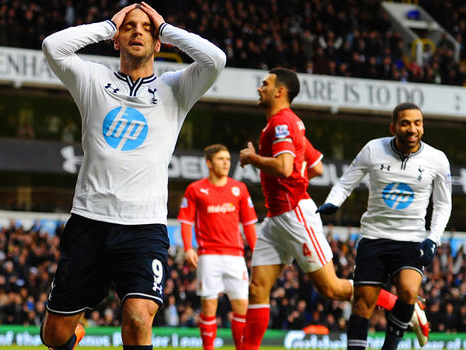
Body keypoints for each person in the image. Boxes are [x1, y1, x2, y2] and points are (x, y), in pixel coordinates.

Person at [41, 2, 226, 350]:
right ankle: (73, 334)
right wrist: (108, 25)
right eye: (129, 27)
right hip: (89, 222)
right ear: (117, 40)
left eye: (146, 28)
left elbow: (215, 60)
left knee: (139, 319)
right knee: (55, 336)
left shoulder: (177, 88)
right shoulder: (93, 80)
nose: (137, 31)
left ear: (157, 43)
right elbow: (53, 46)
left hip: (144, 227)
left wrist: (166, 27)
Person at [238, 68, 428, 350]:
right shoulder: (283, 124)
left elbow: (286, 166)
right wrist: (293, 176)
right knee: (257, 290)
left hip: (294, 215)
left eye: (265, 84)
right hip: (276, 218)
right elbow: (314, 166)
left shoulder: (282, 123)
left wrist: (253, 158)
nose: (259, 88)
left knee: (332, 288)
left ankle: (406, 307)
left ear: (280, 91)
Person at [316, 102, 452, 350]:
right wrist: (332, 202)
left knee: (409, 292)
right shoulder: (373, 149)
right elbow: (346, 182)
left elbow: (443, 205)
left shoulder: (437, 159)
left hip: (411, 239)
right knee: (362, 305)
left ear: (423, 126)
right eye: (405, 123)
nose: (412, 129)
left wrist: (433, 239)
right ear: (393, 127)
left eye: (418, 123)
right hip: (374, 237)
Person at [177, 144, 258, 350]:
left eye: (228, 159)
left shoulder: (239, 188)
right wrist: (188, 247)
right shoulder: (195, 189)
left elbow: (249, 225)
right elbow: (186, 222)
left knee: (242, 308)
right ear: (209, 163)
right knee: (209, 307)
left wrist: (257, 252)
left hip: (235, 256)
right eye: (221, 159)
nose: (226, 163)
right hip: (208, 256)